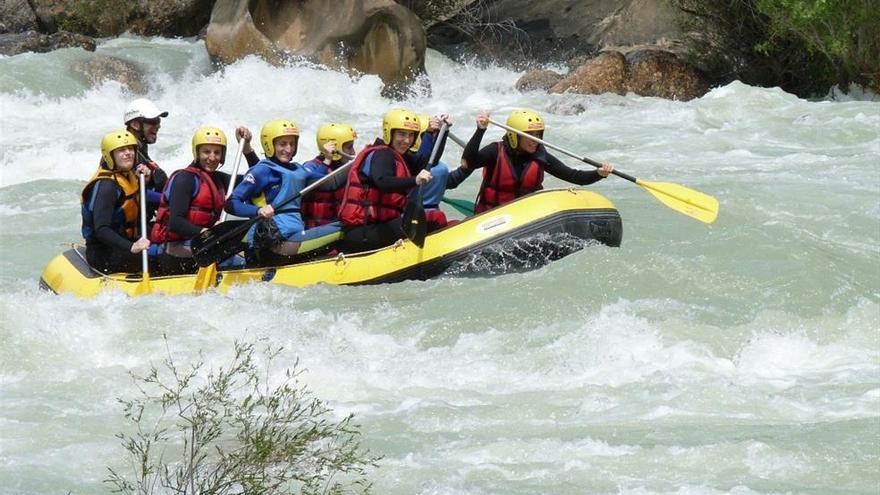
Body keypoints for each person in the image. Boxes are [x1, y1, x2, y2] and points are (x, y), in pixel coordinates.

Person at [225, 119, 342, 266]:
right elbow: (230, 204)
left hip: (292, 234)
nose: (288, 149)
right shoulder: (263, 170)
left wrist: (327, 159)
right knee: (342, 227)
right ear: (269, 145)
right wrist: (258, 210)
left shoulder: (297, 169)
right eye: (283, 144)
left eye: (292, 144)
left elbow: (321, 179)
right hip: (272, 243)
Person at [149, 126, 259, 275]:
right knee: (244, 241)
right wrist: (208, 233)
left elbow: (258, 178)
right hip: (176, 250)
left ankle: (256, 270)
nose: (212, 158)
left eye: (217, 152)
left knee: (252, 235)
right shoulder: (185, 179)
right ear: (197, 153)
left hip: (206, 246)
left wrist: (247, 149)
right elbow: (175, 222)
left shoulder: (221, 179)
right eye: (206, 152)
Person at [460, 109, 614, 213]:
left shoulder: (540, 155)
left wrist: (599, 173)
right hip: (493, 216)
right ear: (515, 136)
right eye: (530, 135)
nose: (535, 140)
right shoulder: (495, 151)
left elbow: (574, 176)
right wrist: (480, 130)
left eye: (538, 135)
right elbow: (468, 163)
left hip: (524, 217)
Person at [337, 108, 444, 252]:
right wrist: (415, 180)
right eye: (401, 134)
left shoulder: (399, 155)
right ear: (389, 133)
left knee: (434, 218)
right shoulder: (382, 154)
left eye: (411, 135)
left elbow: (428, 162)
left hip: (380, 226)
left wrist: (438, 132)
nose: (407, 140)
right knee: (436, 218)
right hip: (363, 231)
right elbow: (383, 181)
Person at [80, 130, 152, 274]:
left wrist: (146, 180)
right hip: (104, 253)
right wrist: (131, 247)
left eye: (130, 149)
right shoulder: (107, 186)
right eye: (121, 150)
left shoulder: (128, 175)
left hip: (127, 241)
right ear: (110, 155)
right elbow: (101, 229)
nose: (128, 153)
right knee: (158, 258)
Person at [300, 123, 358, 229]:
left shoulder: (346, 168)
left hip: (339, 226)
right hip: (316, 230)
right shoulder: (310, 166)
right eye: (349, 147)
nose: (353, 152)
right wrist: (327, 161)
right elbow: (312, 183)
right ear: (334, 148)